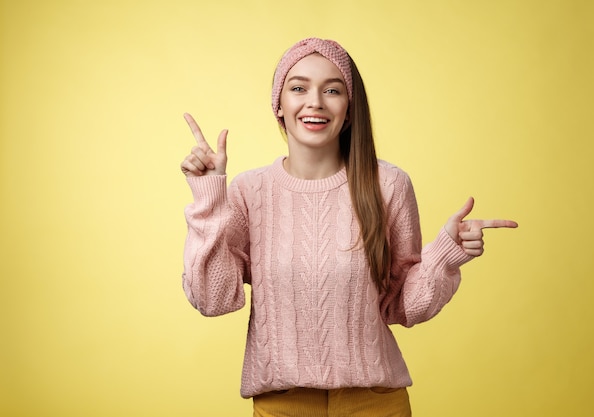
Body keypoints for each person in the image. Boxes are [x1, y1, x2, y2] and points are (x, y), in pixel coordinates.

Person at [179, 37, 517, 417]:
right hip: (282, 405)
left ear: (350, 109)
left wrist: (443, 255)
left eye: (333, 90)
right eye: (298, 88)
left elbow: (402, 306)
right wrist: (209, 197)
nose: (315, 102)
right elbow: (213, 300)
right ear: (279, 105)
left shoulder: (387, 186)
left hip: (375, 403)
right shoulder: (249, 191)